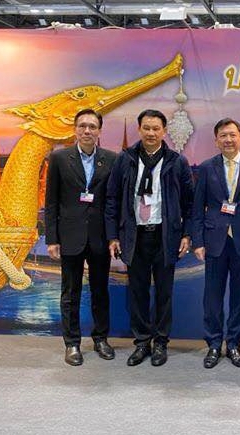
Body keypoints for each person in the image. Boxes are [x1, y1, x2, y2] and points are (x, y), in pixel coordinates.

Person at [105, 109, 194, 367]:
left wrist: (187, 233)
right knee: (137, 292)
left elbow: (189, 203)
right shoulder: (126, 159)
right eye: (146, 128)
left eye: (156, 128)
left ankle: (161, 343)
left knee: (164, 293)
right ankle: (142, 342)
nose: (151, 133)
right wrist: (113, 235)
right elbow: (112, 200)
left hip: (165, 236)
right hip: (135, 236)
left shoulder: (177, 162)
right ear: (139, 130)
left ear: (164, 131)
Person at [45, 108, 117, 366]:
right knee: (70, 293)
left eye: (92, 127)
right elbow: (51, 201)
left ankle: (101, 339)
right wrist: (52, 239)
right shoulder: (59, 158)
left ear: (99, 131)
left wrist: (114, 236)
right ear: (75, 130)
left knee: (100, 292)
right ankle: (72, 343)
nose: (87, 131)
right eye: (82, 126)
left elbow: (113, 201)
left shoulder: (111, 159)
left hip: (99, 236)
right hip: (70, 235)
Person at [191, 118, 240, 369]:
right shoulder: (207, 168)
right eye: (223, 135)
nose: (228, 140)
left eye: (232, 135)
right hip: (214, 241)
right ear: (216, 140)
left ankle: (233, 344)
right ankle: (213, 344)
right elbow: (197, 208)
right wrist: (198, 241)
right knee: (212, 297)